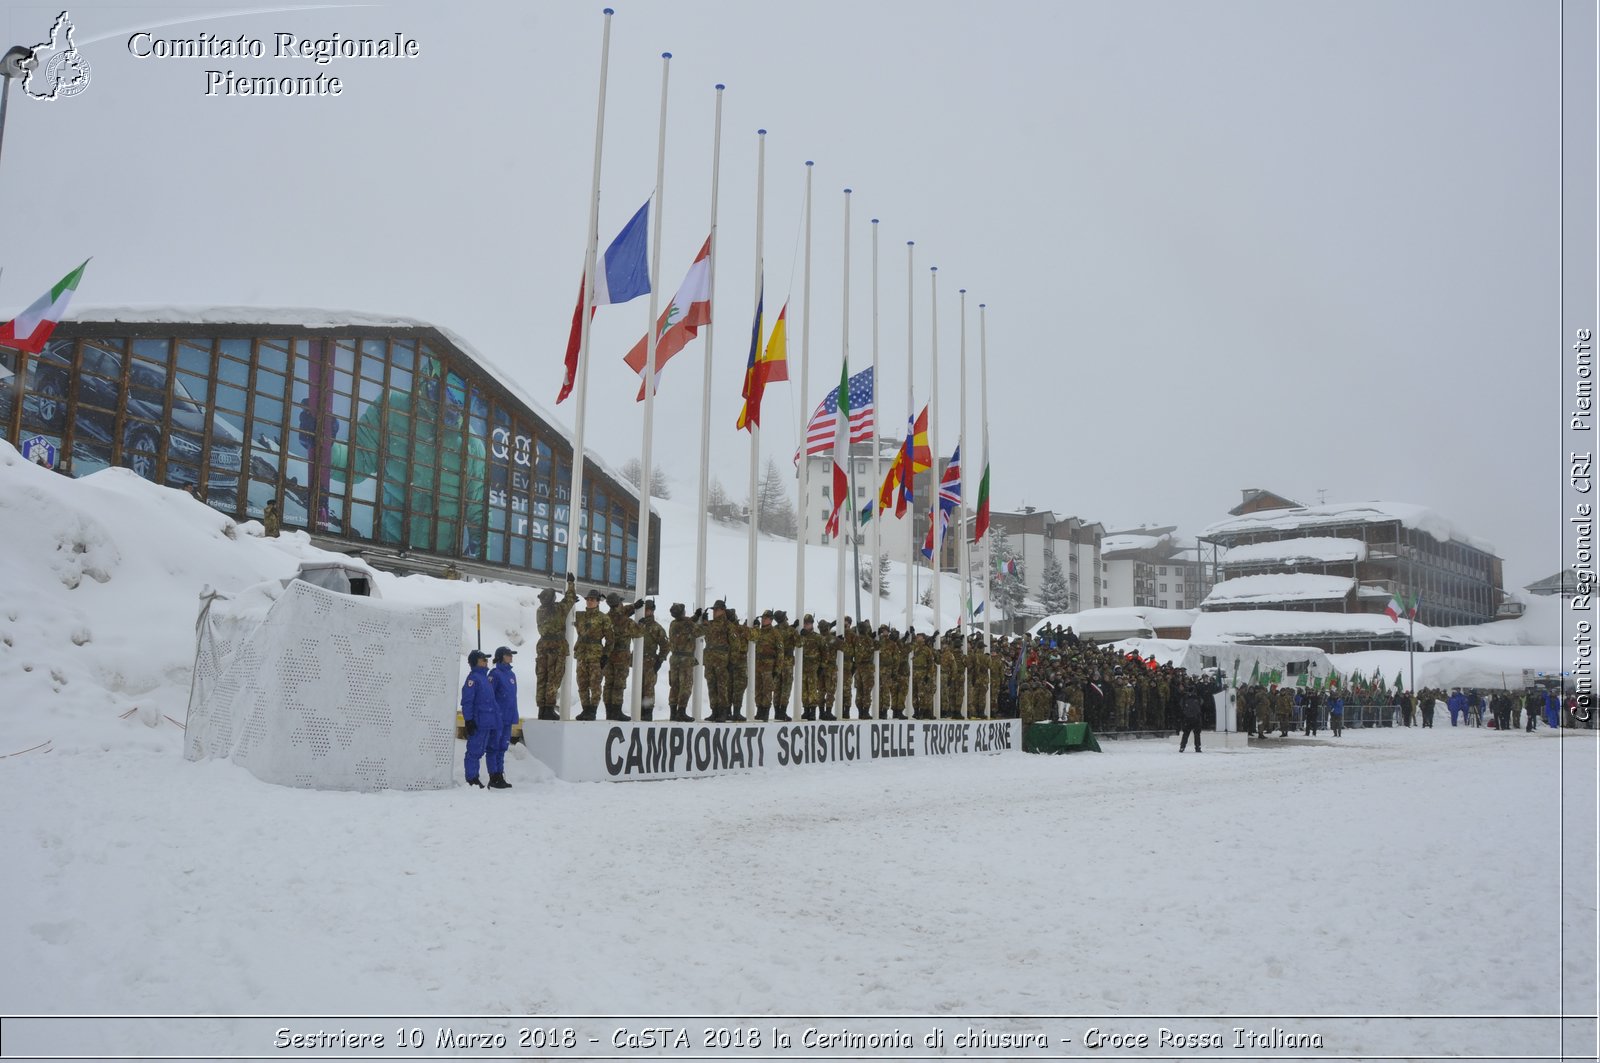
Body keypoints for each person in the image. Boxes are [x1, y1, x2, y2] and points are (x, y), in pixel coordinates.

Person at [534, 573, 578, 720]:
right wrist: (571, 584)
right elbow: (570, 599)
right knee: (553, 678)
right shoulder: (558, 610)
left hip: (542, 647)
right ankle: (549, 708)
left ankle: (542, 709)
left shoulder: (540, 611)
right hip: (556, 647)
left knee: (542, 678)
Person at [460, 649, 497, 787]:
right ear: (476, 662)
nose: (486, 662)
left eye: (487, 660)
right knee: (474, 751)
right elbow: (467, 701)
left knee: (480, 751)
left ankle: (475, 777)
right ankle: (471, 778)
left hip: (487, 721)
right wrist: (468, 720)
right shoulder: (473, 679)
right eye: (483, 659)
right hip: (478, 721)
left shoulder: (485, 678)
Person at [573, 588, 608, 720]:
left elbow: (610, 639)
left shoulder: (603, 618)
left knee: (595, 684)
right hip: (582, 654)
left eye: (592, 600)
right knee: (582, 683)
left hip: (595, 656)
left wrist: (606, 655)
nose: (589, 602)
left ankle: (592, 711)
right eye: (588, 599)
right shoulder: (580, 615)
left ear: (598, 602)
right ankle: (585, 709)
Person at [487, 646, 518, 788]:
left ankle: (500, 774)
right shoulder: (495, 674)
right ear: (501, 657)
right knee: (494, 747)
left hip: (508, 717)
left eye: (511, 654)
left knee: (502, 747)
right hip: (497, 718)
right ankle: (494, 776)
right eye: (508, 655)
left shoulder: (511, 675)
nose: (511, 657)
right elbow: (489, 695)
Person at [666, 604, 700, 722]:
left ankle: (673, 713)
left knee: (674, 686)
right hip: (685, 660)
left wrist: (695, 617)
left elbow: (685, 625)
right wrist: (704, 622)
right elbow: (699, 631)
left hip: (675, 659)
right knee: (685, 685)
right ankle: (681, 711)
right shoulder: (688, 624)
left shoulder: (673, 624)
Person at [637, 599, 668, 721]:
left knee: (648, 689)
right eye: (644, 610)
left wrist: (659, 661)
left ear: (652, 611)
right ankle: (639, 712)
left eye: (647, 610)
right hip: (639, 662)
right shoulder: (639, 625)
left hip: (650, 663)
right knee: (638, 687)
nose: (645, 612)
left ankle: (647, 713)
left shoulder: (656, 628)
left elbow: (665, 645)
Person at [1178, 683, 1203, 752]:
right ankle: (1198, 747)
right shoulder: (1197, 697)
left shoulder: (1184, 697)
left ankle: (1182, 747)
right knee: (1197, 734)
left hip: (1187, 718)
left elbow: (1181, 705)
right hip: (1196, 718)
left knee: (1186, 734)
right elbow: (1201, 703)